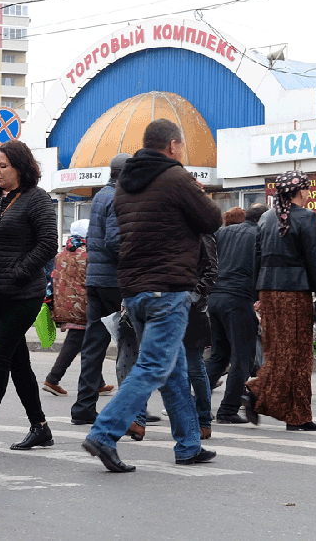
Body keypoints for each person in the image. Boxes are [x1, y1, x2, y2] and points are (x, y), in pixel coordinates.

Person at [83, 119, 222, 472]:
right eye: (182, 147)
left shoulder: (125, 186)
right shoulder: (176, 177)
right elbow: (212, 219)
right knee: (153, 367)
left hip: (135, 291)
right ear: (173, 146)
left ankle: (189, 444)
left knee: (171, 369)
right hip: (168, 289)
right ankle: (104, 432)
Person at [0, 140, 58, 454]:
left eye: (3, 166)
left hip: (24, 293)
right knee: (19, 362)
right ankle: (40, 426)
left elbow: (48, 244)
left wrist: (20, 270)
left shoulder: (38, 199)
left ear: (21, 167)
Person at [243, 170, 316, 432]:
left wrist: (257, 293)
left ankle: (297, 416)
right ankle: (259, 391)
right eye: (307, 188)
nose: (309, 192)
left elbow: (257, 257)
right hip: (294, 293)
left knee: (280, 352)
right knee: (297, 355)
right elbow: (314, 261)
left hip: (269, 291)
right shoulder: (306, 217)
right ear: (300, 190)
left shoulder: (266, 217)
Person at [71, 154, 130, 426]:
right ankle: (132, 409)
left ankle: (83, 406)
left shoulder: (101, 196)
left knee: (93, 344)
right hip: (112, 281)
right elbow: (115, 241)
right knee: (130, 345)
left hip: (96, 278)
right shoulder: (118, 197)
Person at [205, 204, 267, 424]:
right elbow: (262, 268)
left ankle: (197, 405)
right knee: (243, 357)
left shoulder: (223, 232)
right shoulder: (259, 235)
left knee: (219, 356)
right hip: (239, 299)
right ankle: (228, 410)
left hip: (215, 298)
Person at [43, 220, 112, 397]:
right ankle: (53, 378)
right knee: (78, 343)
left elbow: (53, 280)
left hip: (65, 305)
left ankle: (98, 382)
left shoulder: (62, 254)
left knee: (87, 343)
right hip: (84, 306)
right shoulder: (88, 254)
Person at [183, 234, 218, 439]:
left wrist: (194, 297)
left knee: (195, 366)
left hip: (192, 309)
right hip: (174, 304)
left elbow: (212, 270)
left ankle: (203, 419)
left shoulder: (202, 233)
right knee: (179, 369)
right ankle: (188, 419)